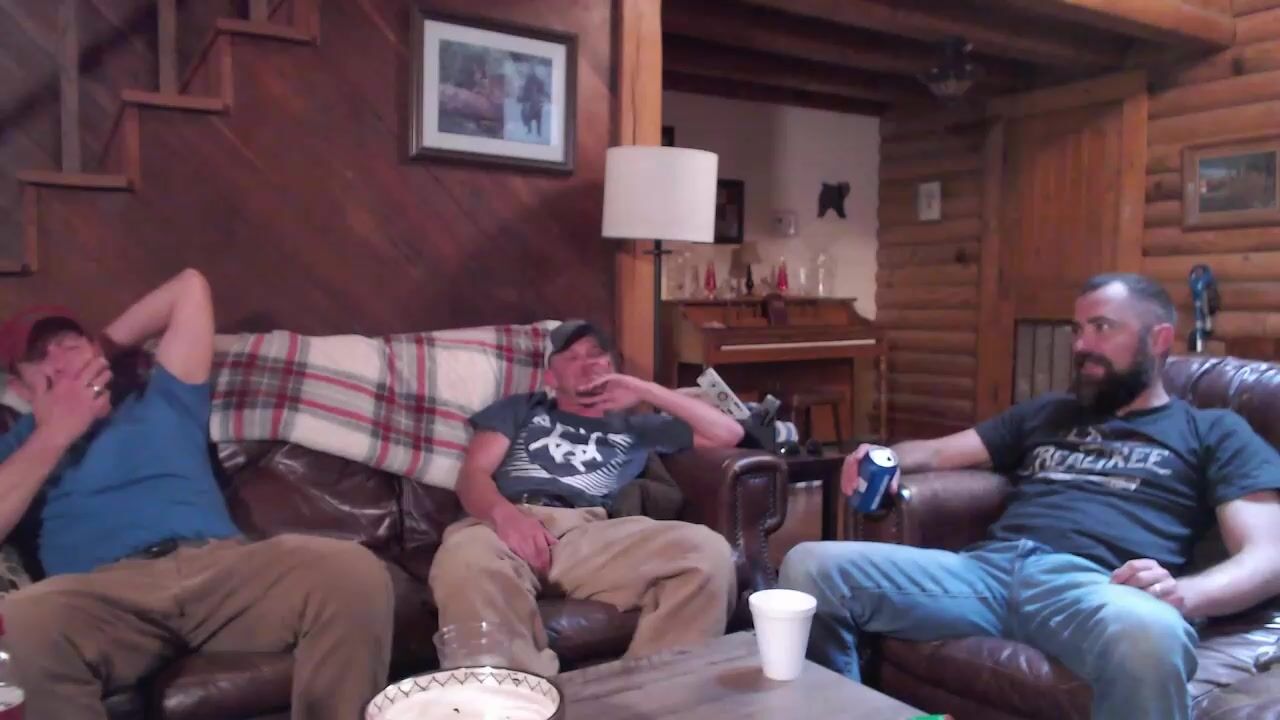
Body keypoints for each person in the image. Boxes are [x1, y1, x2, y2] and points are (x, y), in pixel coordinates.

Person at [779, 273, 1280, 720]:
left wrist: (1184, 595)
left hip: (1095, 587)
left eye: (1102, 328)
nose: (1081, 345)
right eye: (1077, 330)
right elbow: (936, 452)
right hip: (985, 573)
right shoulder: (1049, 412)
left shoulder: (1212, 431)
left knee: (1151, 635)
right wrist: (882, 455)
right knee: (810, 568)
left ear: (1159, 339)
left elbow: (1269, 556)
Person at [0, 269, 395, 720]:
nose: (59, 358)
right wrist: (56, 431)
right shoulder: (18, 448)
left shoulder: (161, 399)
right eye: (39, 357)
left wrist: (94, 358)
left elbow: (189, 287)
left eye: (70, 344)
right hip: (105, 597)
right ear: (19, 388)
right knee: (25, 623)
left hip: (219, 569)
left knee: (352, 572)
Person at [429, 320, 744, 676]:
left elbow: (729, 433)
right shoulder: (523, 408)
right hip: (508, 523)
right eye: (572, 357)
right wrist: (506, 516)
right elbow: (472, 475)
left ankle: (649, 696)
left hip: (590, 533)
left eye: (597, 354)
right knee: (466, 560)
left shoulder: (637, 427)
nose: (588, 363)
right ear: (551, 377)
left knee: (707, 552)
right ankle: (518, 699)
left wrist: (646, 390)